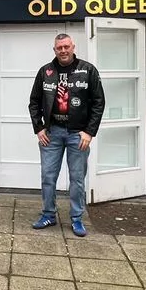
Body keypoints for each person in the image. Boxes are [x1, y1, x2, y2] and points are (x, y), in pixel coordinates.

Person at [28, 32, 106, 236]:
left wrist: (89, 132)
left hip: (77, 135)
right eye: (59, 47)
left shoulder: (88, 70)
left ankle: (77, 219)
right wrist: (39, 127)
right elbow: (34, 102)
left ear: (73, 48)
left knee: (77, 178)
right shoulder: (46, 72)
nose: (63, 50)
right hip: (52, 133)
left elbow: (99, 102)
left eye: (66, 47)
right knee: (47, 176)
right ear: (54, 50)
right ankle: (48, 215)